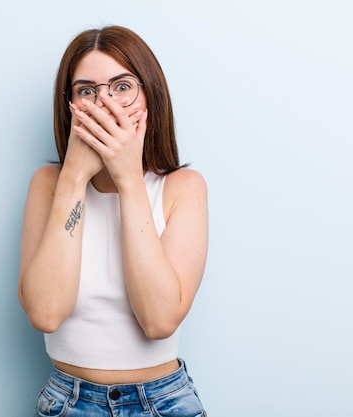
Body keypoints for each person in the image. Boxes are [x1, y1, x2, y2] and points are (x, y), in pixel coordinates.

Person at [18, 25, 209, 416]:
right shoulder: (47, 185)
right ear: (70, 105)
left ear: (149, 94)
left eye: (122, 86)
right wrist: (73, 177)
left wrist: (128, 179)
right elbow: (45, 312)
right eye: (86, 91)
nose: (104, 103)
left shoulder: (182, 188)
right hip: (68, 403)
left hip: (162, 403)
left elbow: (159, 321)